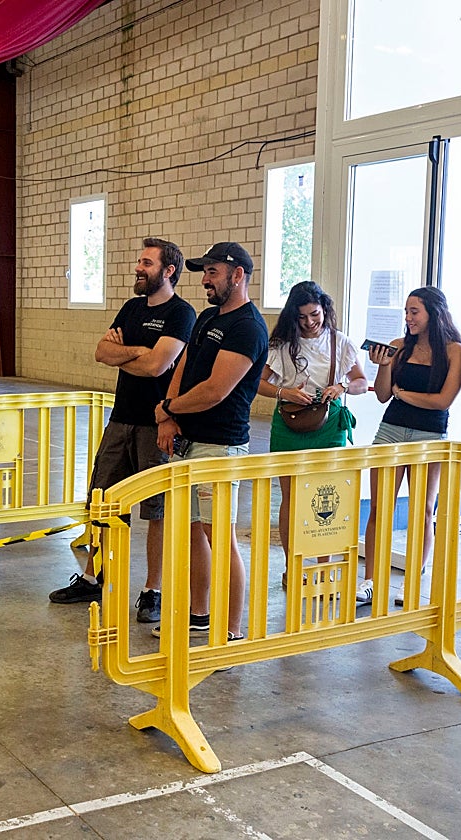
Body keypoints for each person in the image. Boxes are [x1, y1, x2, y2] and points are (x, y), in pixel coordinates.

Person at [48, 238, 194, 623]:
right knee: (104, 501)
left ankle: (152, 590)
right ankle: (93, 577)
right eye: (139, 261)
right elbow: (102, 352)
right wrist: (138, 352)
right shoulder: (131, 308)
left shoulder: (181, 314)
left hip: (157, 424)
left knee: (156, 511)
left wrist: (126, 354)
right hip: (120, 419)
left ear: (168, 271)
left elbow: (158, 366)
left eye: (146, 262)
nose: (137, 268)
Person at [154, 242, 269, 642]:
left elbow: (215, 390)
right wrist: (168, 414)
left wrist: (168, 407)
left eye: (213, 272)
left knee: (219, 536)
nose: (205, 279)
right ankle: (199, 614)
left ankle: (231, 631)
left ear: (238, 275)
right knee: (191, 531)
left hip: (219, 446)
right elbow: (183, 366)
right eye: (204, 272)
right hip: (187, 440)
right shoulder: (206, 318)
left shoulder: (248, 327)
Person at [361, 287, 461, 606]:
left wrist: (403, 393)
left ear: (434, 313)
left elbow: (442, 401)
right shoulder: (399, 346)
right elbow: (382, 395)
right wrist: (383, 366)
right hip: (390, 431)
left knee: (423, 510)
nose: (408, 318)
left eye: (414, 311)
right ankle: (371, 581)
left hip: (429, 435)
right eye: (406, 311)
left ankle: (412, 581)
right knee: (380, 507)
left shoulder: (454, 351)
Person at [257, 281, 366, 577]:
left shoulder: (340, 342)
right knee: (290, 497)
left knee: (325, 494)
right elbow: (258, 383)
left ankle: (323, 565)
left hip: (329, 423)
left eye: (314, 314)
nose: (309, 322)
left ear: (324, 310)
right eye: (302, 317)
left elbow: (361, 381)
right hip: (289, 420)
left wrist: (341, 386)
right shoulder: (282, 344)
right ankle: (292, 567)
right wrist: (286, 392)